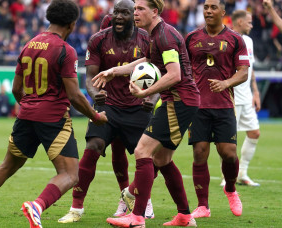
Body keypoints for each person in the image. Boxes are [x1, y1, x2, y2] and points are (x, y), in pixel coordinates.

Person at [0, 1, 107, 227]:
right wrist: (95, 117)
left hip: (25, 115)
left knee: (7, 166)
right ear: (72, 24)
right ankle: (37, 206)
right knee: (70, 175)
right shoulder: (67, 51)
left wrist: (30, 106)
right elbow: (74, 95)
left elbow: (17, 89)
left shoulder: (29, 44)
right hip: (53, 119)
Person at [93, 0, 200, 226]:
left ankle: (137, 217)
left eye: (140, 9)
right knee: (162, 158)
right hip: (180, 101)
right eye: (135, 9)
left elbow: (174, 75)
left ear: (155, 11)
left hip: (179, 101)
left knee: (143, 150)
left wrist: (145, 93)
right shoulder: (156, 34)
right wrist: (115, 71)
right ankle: (184, 216)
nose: (135, 13)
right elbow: (148, 60)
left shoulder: (164, 36)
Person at [58, 0, 158, 223]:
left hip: (138, 106)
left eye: (125, 12)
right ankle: (76, 208)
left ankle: (136, 197)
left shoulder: (147, 39)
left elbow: (158, 74)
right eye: (116, 12)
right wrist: (94, 95)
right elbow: (90, 77)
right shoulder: (99, 39)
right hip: (108, 106)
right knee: (93, 147)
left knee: (152, 158)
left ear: (134, 15)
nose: (119, 17)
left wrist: (153, 97)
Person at [185, 0, 249, 218]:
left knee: (229, 154)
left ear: (223, 11)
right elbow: (182, 68)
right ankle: (203, 206)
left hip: (224, 105)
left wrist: (226, 83)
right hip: (198, 107)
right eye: (206, 7)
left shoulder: (235, 39)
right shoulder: (191, 38)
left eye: (213, 7)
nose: (208, 11)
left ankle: (230, 189)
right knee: (200, 153)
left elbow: (243, 72)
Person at [220, 10, 261, 187]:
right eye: (249, 22)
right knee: (229, 140)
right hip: (233, 97)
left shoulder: (249, 41)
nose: (251, 25)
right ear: (239, 22)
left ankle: (242, 173)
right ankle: (227, 177)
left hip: (247, 97)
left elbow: (249, 68)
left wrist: (256, 91)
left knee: (254, 133)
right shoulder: (229, 39)